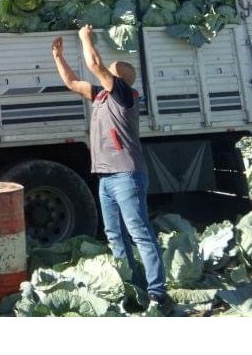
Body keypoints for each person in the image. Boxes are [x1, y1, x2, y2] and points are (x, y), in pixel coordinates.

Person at [51, 25, 170, 313]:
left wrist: (84, 38)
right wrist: (57, 56)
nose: (105, 71)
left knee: (139, 232)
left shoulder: (124, 95)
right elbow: (71, 83)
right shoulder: (102, 96)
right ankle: (131, 287)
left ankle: (157, 293)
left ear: (119, 79)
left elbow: (93, 64)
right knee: (114, 234)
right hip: (106, 177)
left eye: (111, 71)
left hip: (127, 175)